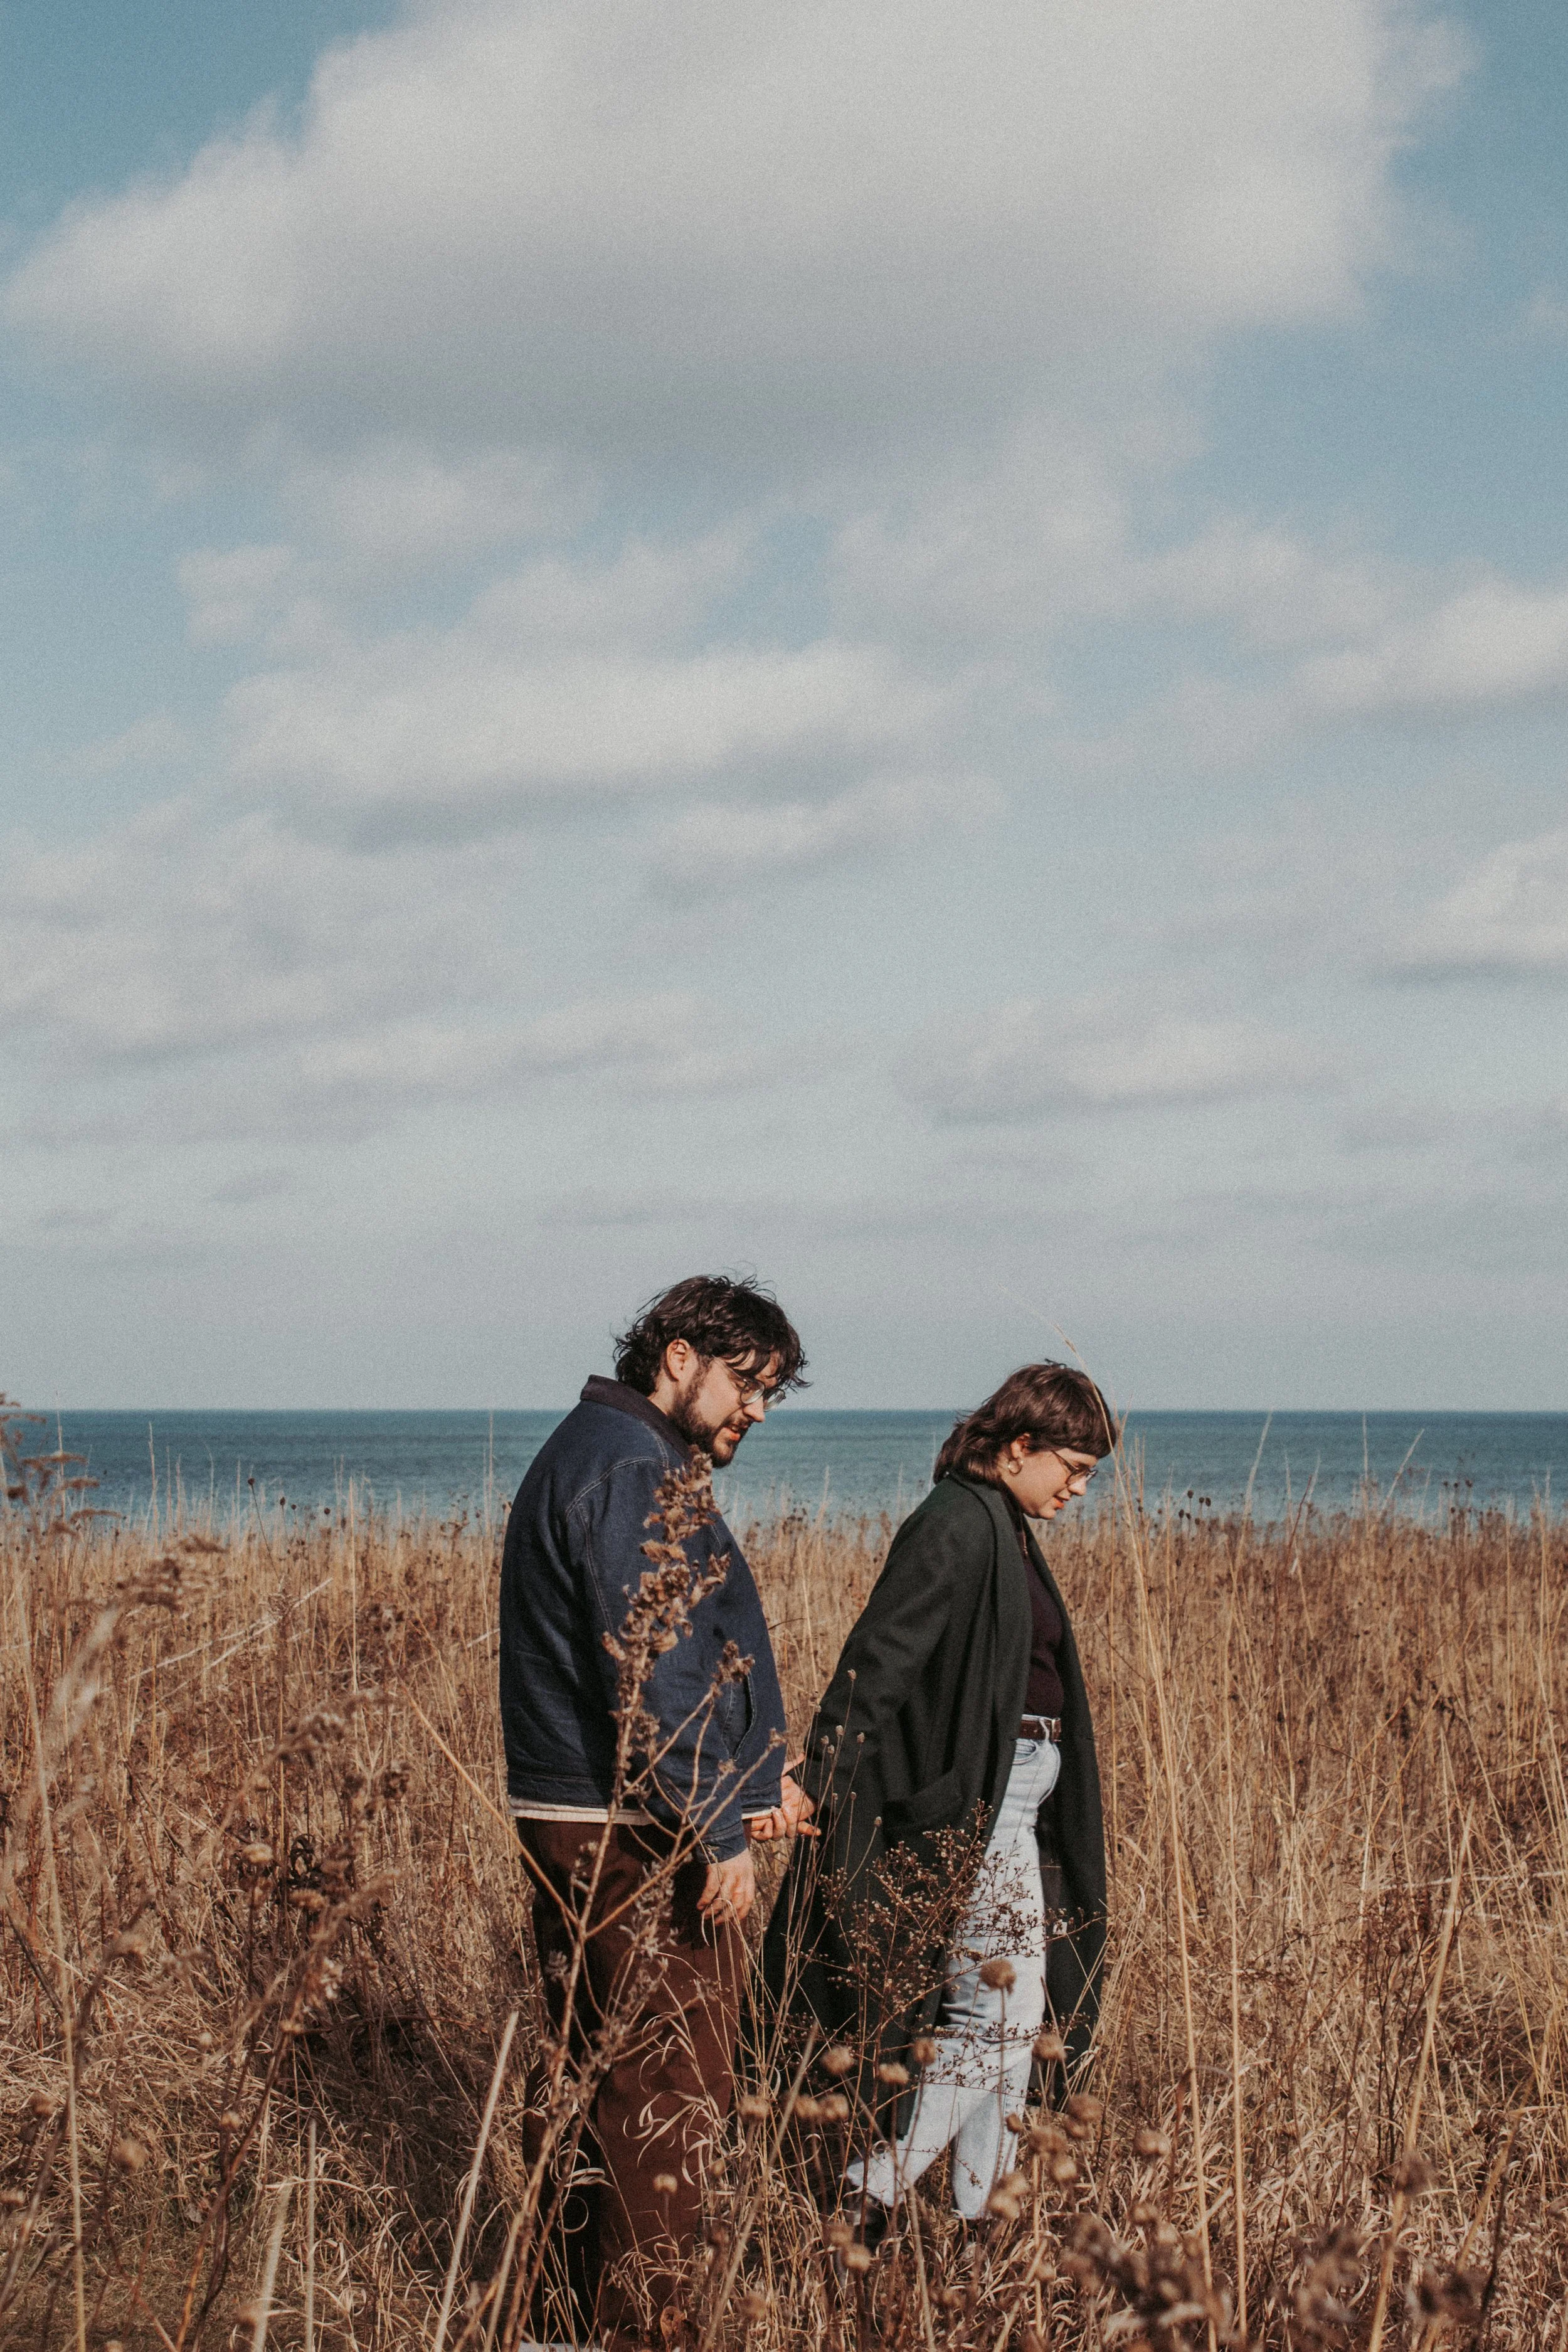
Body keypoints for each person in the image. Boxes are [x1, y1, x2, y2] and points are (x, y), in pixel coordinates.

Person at [499, 1274, 813, 2351]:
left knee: (598, 2077)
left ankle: (553, 2324)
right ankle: (642, 2333)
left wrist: (764, 1776)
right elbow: (658, 1666)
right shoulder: (633, 1465)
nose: (757, 1412)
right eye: (748, 1384)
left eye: (772, 1394)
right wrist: (719, 1824)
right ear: (678, 1357)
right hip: (633, 1834)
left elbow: (681, 1658)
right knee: (666, 2095)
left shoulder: (604, 1449)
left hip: (597, 1820)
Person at [763, 1361, 1113, 2242]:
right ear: (1020, 1444)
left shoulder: (1005, 1522)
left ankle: (979, 2222)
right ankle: (870, 2192)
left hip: (1015, 1804)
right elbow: (878, 1656)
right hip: (977, 1806)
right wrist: (822, 1770)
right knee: (999, 2017)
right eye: (1070, 1467)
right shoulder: (958, 1522)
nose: (1078, 1488)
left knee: (1016, 2017)